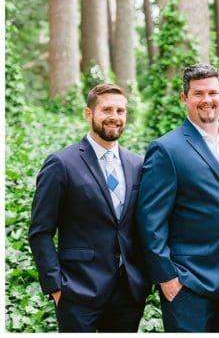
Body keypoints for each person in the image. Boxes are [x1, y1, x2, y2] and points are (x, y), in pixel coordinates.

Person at [137, 63, 219, 332]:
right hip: (188, 283)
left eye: (212, 93)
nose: (207, 100)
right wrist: (167, 278)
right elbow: (150, 219)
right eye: (198, 93)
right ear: (184, 98)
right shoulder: (167, 149)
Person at [28, 83, 149, 332]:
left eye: (120, 111)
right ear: (88, 113)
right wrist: (55, 287)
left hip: (128, 294)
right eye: (106, 110)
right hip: (77, 292)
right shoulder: (61, 163)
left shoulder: (139, 164)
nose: (114, 117)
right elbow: (40, 231)